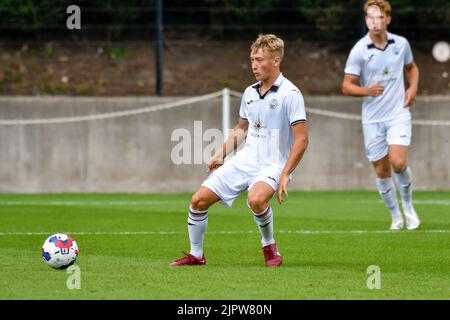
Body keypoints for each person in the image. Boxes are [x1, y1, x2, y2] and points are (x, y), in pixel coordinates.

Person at [170, 34, 309, 267]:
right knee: (198, 201)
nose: (254, 65)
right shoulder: (250, 92)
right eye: (252, 59)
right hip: (245, 160)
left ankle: (269, 246)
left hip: (272, 164)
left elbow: (302, 140)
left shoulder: (291, 95)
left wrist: (285, 173)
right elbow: (241, 129)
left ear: (276, 61)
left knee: (256, 200)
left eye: (260, 60)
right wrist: (221, 154)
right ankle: (196, 255)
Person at [342, 0, 420, 230]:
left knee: (398, 162)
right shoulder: (359, 50)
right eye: (370, 18)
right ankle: (395, 216)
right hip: (372, 119)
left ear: (388, 19)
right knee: (382, 169)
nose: (375, 22)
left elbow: (411, 68)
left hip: (398, 114)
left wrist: (413, 88)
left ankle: (408, 207)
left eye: (379, 18)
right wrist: (366, 90)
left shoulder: (401, 44)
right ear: (366, 20)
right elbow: (347, 86)